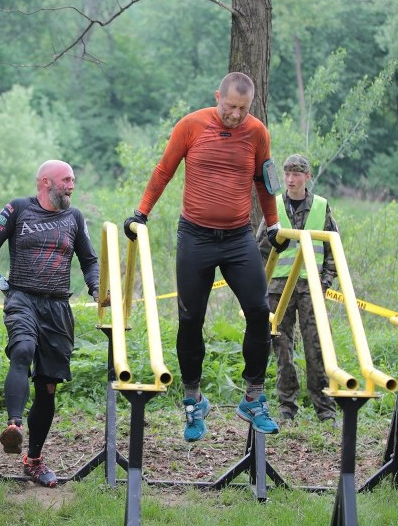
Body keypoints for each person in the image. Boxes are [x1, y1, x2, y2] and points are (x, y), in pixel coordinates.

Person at [123, 72, 287, 442]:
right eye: (230, 106)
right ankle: (194, 399)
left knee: (260, 311)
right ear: (218, 96)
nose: (235, 114)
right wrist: (141, 213)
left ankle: (254, 397)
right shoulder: (192, 125)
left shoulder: (257, 132)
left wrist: (274, 225)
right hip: (195, 236)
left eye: (243, 109)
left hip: (238, 237)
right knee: (190, 317)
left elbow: (265, 182)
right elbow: (164, 170)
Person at [0, 160, 101, 488]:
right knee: (23, 349)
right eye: (66, 180)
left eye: (73, 180)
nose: (72, 185)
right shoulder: (18, 209)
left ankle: (34, 460)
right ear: (46, 182)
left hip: (57, 306)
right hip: (22, 297)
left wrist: (98, 288)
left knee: (48, 386)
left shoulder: (74, 217)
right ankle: (13, 425)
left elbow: (90, 260)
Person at [256, 154, 338, 424]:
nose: (291, 179)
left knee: (317, 347)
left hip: (311, 288)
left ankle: (325, 409)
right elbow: (260, 249)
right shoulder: (275, 206)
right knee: (282, 348)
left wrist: (325, 281)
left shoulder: (321, 206)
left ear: (307, 176)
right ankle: (286, 407)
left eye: (296, 173)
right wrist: (260, 283)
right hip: (278, 289)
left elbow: (332, 249)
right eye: (287, 173)